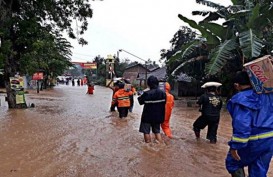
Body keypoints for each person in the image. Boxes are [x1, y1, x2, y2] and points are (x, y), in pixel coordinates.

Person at [225, 71, 273, 177]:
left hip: (253, 141)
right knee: (259, 170)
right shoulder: (268, 95)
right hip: (269, 141)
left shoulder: (241, 99)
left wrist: (235, 146)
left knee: (233, 163)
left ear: (236, 85)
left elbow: (242, 125)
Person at [138, 75, 166, 143]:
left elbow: (140, 102)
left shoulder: (147, 93)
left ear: (148, 84)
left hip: (147, 117)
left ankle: (148, 145)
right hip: (158, 116)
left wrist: (142, 93)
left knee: (146, 131)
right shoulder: (163, 93)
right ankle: (160, 145)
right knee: (157, 131)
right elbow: (164, 103)